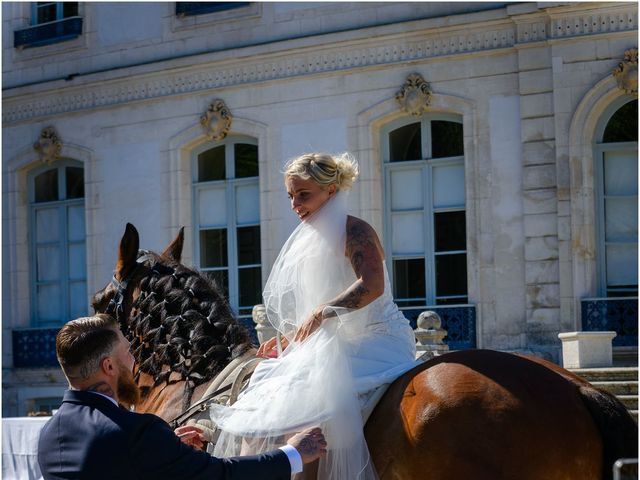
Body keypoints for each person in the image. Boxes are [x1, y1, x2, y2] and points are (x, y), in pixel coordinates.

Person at [209, 153, 417, 479]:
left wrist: (320, 314)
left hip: (380, 339)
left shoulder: (355, 231)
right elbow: (322, 306)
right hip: (338, 344)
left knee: (289, 406)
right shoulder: (311, 239)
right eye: (290, 195)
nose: (295, 204)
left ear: (331, 190)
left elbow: (372, 285)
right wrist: (292, 339)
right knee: (264, 392)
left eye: (303, 195)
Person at [37, 314, 327, 480]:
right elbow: (219, 475)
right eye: (127, 350)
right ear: (109, 366)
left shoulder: (49, 435)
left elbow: (116, 464)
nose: (134, 358)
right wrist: (293, 454)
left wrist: (168, 448)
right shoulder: (136, 433)